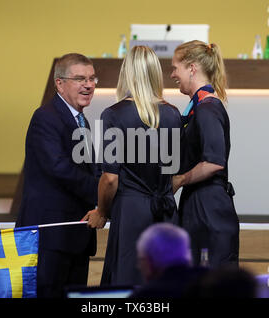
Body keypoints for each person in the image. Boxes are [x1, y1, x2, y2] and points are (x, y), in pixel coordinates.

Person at [82, 46, 181, 286]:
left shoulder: (113, 115)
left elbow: (110, 178)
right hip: (166, 211)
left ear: (126, 73)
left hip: (131, 214)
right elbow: (174, 174)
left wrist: (102, 211)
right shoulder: (173, 114)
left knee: (127, 284)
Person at [15, 53, 100, 298]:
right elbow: (60, 169)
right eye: (80, 78)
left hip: (77, 236)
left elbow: (89, 167)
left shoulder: (81, 120)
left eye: (92, 78)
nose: (88, 84)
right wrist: (104, 190)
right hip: (50, 238)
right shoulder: (45, 118)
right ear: (59, 83)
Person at [171, 40, 239, 268]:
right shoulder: (197, 107)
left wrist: (179, 180)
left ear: (192, 68)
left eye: (175, 68)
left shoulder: (207, 108)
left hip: (209, 210)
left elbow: (214, 162)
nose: (172, 74)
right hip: (199, 206)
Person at [130, 223, 208, 298]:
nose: (138, 266)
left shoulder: (146, 295)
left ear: (149, 262)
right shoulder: (213, 283)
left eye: (141, 260)